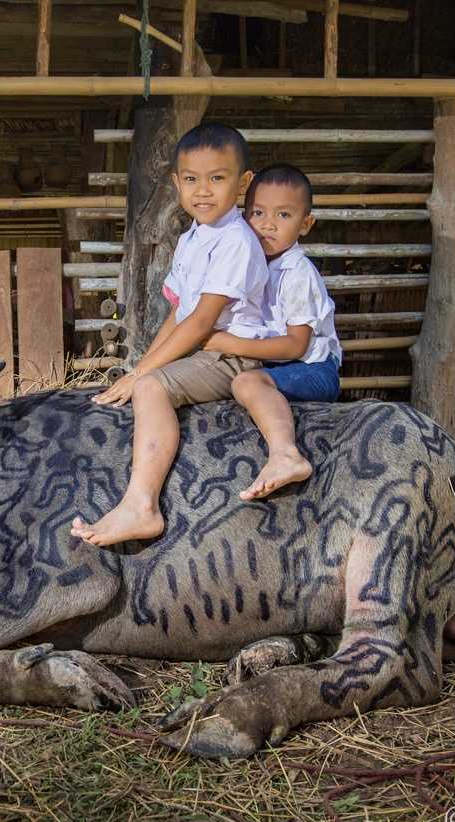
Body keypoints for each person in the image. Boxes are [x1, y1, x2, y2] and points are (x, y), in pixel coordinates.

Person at [70, 123, 271, 547]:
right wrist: (141, 364)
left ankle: (142, 505)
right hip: (202, 351)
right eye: (192, 179)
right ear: (176, 183)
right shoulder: (191, 239)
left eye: (218, 178)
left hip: (230, 355)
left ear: (243, 183)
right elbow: (179, 313)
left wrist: (144, 376)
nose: (203, 190)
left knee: (150, 390)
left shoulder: (235, 240)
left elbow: (201, 323)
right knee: (142, 379)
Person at [202, 164, 342, 500]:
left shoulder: (298, 274)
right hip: (280, 364)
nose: (268, 224)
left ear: (305, 224)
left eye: (283, 215)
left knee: (246, 381)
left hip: (314, 368)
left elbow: (296, 346)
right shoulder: (252, 262)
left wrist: (231, 343)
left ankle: (285, 455)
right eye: (258, 213)